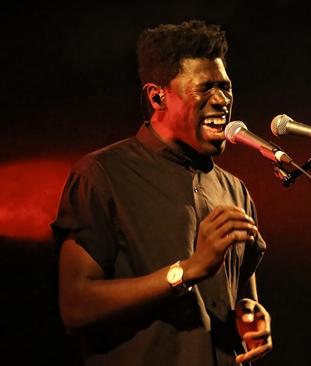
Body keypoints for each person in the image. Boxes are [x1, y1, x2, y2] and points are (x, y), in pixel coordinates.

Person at [51, 20, 272, 365]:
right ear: (158, 96)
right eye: (205, 88)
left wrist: (250, 315)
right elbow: (75, 307)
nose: (222, 100)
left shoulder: (234, 190)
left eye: (226, 87)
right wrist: (186, 270)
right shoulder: (103, 174)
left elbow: (242, 294)